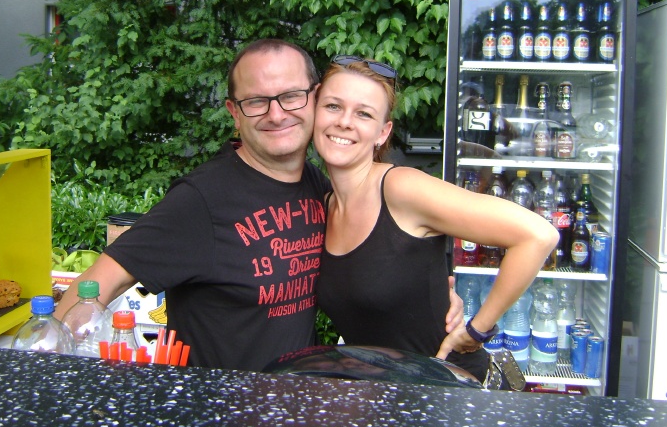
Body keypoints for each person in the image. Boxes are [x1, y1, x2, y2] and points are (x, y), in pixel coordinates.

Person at [53, 39, 464, 372]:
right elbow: (92, 288)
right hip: (219, 426)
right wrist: (55, 375)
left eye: (291, 96)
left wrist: (430, 300)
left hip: (294, 412)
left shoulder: (319, 187)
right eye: (256, 101)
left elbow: (366, 269)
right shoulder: (200, 201)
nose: (276, 114)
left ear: (314, 99)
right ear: (235, 113)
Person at [312, 56, 559, 383]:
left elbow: (538, 235)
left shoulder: (401, 188)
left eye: (364, 113)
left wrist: (477, 330)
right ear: (314, 111)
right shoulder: (323, 204)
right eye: (333, 106)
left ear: (382, 133)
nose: (344, 121)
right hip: (383, 397)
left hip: (448, 392)